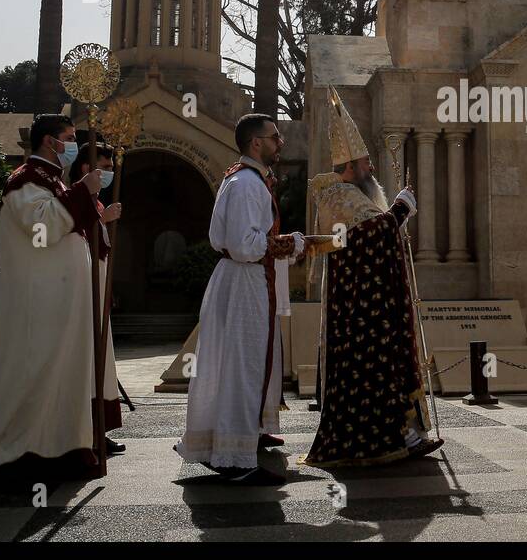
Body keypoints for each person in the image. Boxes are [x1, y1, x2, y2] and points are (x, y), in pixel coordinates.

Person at [0, 114, 106, 490]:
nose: (74, 146)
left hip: (59, 302)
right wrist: (82, 191)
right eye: (69, 138)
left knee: (62, 374)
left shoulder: (53, 181)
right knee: (32, 371)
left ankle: (59, 449)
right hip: (36, 305)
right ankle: (8, 453)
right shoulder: (23, 180)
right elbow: (42, 230)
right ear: (47, 142)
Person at [304, 88, 439, 467]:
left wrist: (395, 216)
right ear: (349, 166)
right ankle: (378, 443)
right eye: (365, 162)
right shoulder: (338, 197)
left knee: (391, 370)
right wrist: (398, 211)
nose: (372, 169)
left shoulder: (353, 195)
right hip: (358, 309)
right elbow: (361, 238)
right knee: (374, 374)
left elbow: (373, 231)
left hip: (376, 301)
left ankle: (407, 438)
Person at [176, 113, 305, 485]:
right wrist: (290, 243)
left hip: (241, 279)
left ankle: (235, 444)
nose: (280, 142)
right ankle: (235, 460)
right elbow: (245, 245)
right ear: (255, 143)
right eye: (274, 136)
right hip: (245, 279)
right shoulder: (248, 184)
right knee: (242, 367)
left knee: (238, 364)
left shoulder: (243, 178)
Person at [68, 142, 124, 455]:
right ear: (87, 168)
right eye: (104, 166)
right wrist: (103, 221)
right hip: (83, 289)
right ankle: (87, 434)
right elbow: (76, 235)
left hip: (98, 285)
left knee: (102, 362)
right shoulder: (77, 200)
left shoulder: (96, 202)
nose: (109, 174)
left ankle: (99, 431)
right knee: (90, 359)